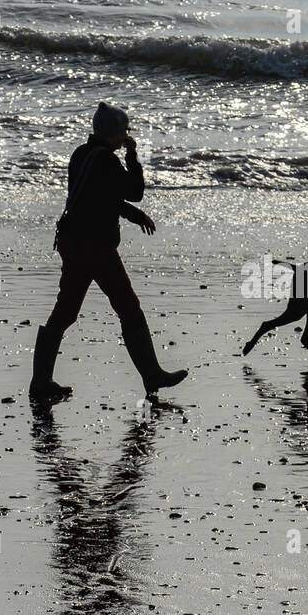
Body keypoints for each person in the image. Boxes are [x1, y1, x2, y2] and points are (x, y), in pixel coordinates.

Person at [30, 102, 188, 400]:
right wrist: (133, 155)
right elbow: (134, 192)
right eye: (125, 131)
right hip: (95, 247)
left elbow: (104, 199)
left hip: (73, 241)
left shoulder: (81, 154)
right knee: (129, 308)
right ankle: (152, 374)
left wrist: (135, 217)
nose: (127, 135)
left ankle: (40, 381)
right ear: (115, 132)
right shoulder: (107, 160)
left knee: (65, 313)